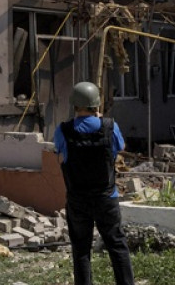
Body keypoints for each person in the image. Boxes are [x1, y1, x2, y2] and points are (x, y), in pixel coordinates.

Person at [53, 81, 136, 285]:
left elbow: (60, 158)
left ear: (74, 106)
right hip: (106, 198)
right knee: (117, 245)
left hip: (77, 200)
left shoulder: (63, 130)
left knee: (81, 249)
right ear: (96, 105)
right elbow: (120, 146)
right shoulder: (109, 126)